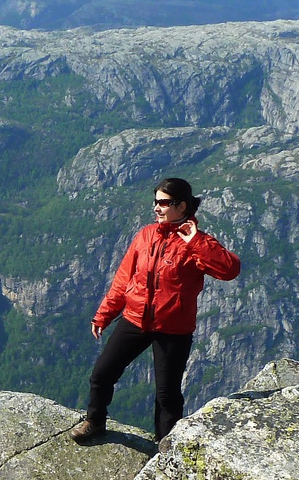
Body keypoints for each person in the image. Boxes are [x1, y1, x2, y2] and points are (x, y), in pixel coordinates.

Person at [72, 177, 241, 445]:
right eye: (156, 202)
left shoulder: (198, 244)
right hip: (135, 319)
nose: (156, 208)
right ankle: (95, 422)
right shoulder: (146, 235)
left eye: (163, 203)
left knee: (167, 395)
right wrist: (104, 314)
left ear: (181, 205)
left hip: (173, 329)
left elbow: (230, 270)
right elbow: (124, 279)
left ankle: (166, 448)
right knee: (102, 374)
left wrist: (195, 241)